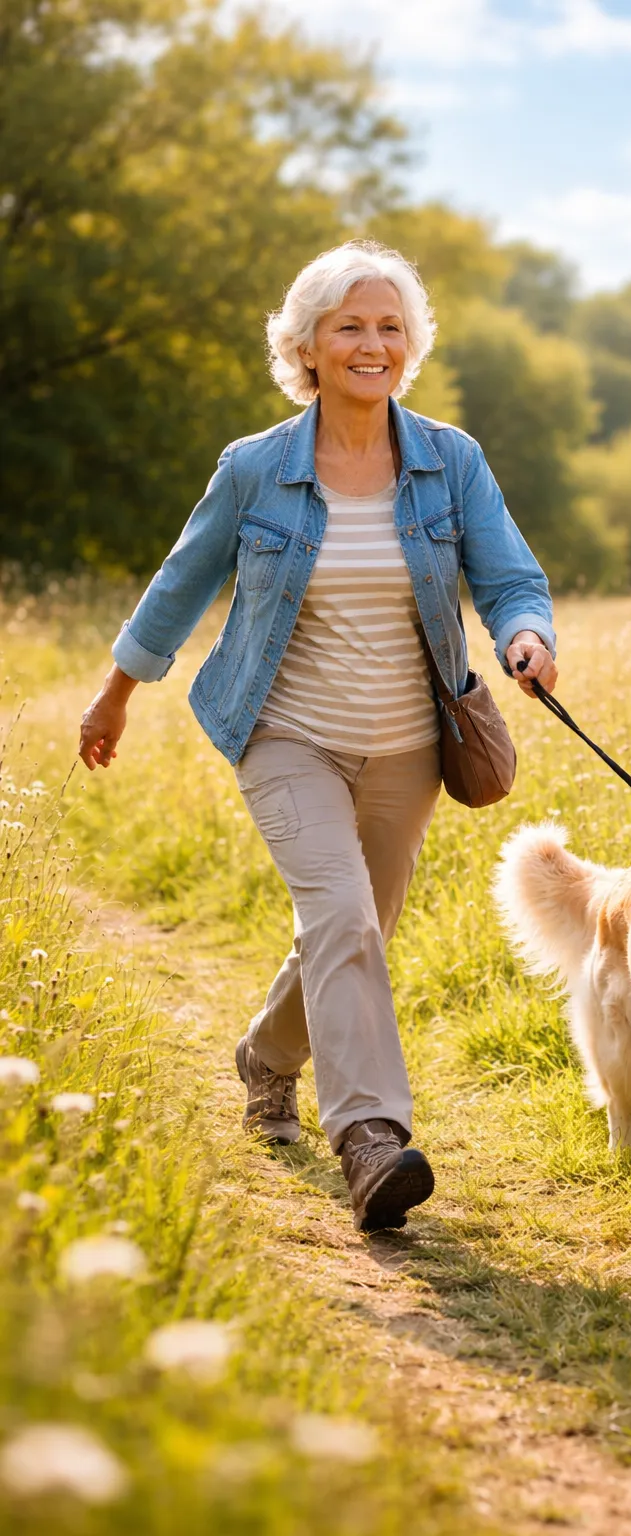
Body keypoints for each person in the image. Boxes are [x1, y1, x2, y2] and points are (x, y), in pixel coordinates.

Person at [78, 241, 557, 1233]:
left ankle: (265, 1058)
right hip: (286, 734)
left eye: (389, 326)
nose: (370, 344)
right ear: (307, 344)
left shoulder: (449, 460)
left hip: (409, 746)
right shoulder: (255, 469)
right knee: (340, 917)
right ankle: (370, 1137)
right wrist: (118, 690)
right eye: (349, 325)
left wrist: (524, 633)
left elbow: (509, 574)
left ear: (409, 345)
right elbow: (182, 582)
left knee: (354, 932)